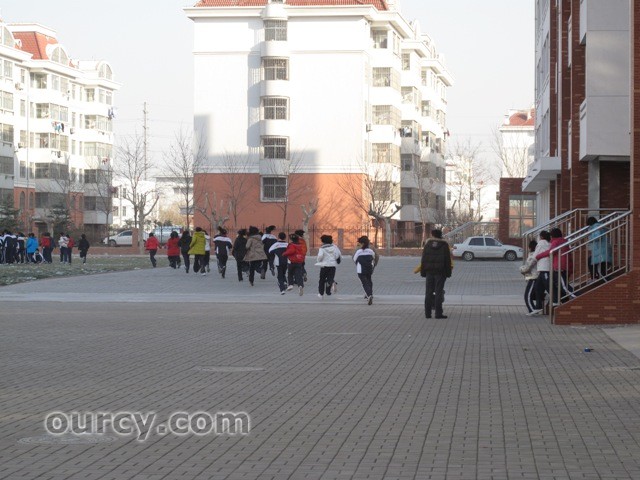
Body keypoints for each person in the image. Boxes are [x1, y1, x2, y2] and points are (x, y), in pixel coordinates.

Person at [420, 229, 452, 318]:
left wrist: (423, 272)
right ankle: (438, 313)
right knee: (438, 292)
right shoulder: (444, 245)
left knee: (428, 292)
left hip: (429, 272)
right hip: (440, 272)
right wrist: (448, 273)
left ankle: (427, 313)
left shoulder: (427, 244)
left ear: (432, 235)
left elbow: (423, 259)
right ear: (440, 235)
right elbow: (447, 261)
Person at [536, 227, 572, 304]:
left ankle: (577, 296)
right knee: (560, 286)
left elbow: (550, 252)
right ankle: (564, 302)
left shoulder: (556, 242)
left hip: (559, 267)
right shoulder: (564, 241)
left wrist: (538, 256)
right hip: (564, 266)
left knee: (564, 287)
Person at [353, 235, 379, 305]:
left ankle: (369, 295)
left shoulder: (358, 251)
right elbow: (374, 257)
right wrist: (374, 265)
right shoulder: (370, 251)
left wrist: (358, 264)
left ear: (361, 243)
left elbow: (354, 259)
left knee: (364, 283)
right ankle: (370, 294)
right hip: (369, 268)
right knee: (369, 280)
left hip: (361, 270)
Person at [315, 234, 341, 298]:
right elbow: (337, 255)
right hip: (332, 265)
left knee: (322, 279)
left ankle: (321, 293)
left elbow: (320, 256)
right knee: (330, 277)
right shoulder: (334, 247)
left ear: (323, 241)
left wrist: (318, 260)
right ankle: (329, 288)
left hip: (324, 265)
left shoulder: (322, 248)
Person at [586, 216, 612, 280]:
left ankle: (595, 277)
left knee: (593, 263)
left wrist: (590, 237)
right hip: (602, 249)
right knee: (601, 269)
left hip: (601, 250)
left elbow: (597, 237)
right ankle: (595, 277)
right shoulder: (599, 226)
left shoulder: (596, 227)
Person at [520, 240, 538, 313]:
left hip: (533, 277)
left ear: (530, 247)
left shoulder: (532, 256)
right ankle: (534, 309)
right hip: (534, 276)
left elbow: (528, 267)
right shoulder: (534, 254)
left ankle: (532, 310)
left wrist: (521, 269)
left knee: (527, 295)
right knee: (533, 294)